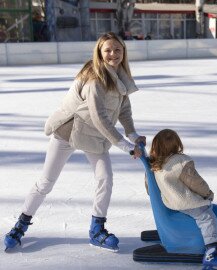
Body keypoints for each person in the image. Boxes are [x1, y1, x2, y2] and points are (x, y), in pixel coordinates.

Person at [4, 32, 146, 252]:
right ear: (99, 52)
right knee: (46, 182)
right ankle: (21, 224)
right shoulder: (94, 79)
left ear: (123, 51)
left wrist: (133, 134)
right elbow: (100, 117)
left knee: (105, 179)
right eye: (107, 50)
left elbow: (123, 110)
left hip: (94, 136)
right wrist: (127, 147)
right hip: (69, 131)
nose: (113, 54)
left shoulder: (121, 76)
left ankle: (96, 230)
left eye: (117, 49)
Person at [147, 129, 217, 269]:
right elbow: (195, 182)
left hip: (171, 203)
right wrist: (207, 193)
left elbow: (149, 188)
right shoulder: (181, 162)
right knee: (206, 217)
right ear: (177, 144)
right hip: (187, 203)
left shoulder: (156, 165)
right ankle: (212, 254)